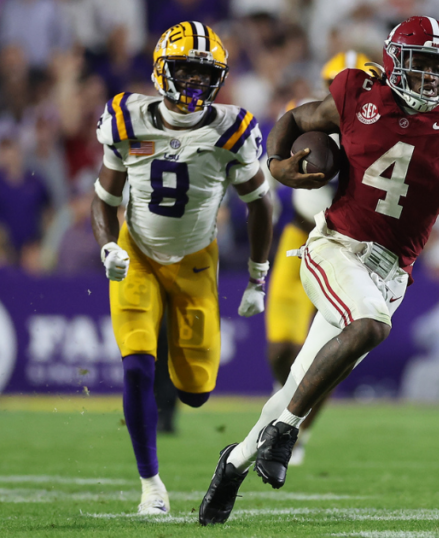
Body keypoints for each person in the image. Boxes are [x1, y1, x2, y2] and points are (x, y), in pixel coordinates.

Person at [198, 16, 439, 525]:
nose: (427, 77)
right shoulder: (362, 93)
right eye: (419, 64)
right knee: (371, 325)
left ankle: (233, 464)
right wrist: (275, 164)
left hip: (389, 275)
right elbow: (296, 118)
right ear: (397, 63)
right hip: (334, 246)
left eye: (436, 67)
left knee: (297, 385)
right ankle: (288, 433)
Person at [91, 22, 272, 516]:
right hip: (139, 254)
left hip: (196, 262)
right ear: (160, 70)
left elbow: (260, 205)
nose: (194, 84)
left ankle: (177, 401)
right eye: (185, 72)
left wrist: (259, 276)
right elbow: (104, 201)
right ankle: (151, 485)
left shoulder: (231, 127)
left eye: (203, 74)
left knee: (196, 392)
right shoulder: (126, 116)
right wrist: (108, 248)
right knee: (136, 365)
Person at [264, 50, 373, 466]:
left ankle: (298, 430)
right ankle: (285, 401)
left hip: (349, 245)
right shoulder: (307, 121)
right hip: (301, 235)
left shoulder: (383, 133)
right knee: (279, 348)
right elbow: (282, 181)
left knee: (331, 349)